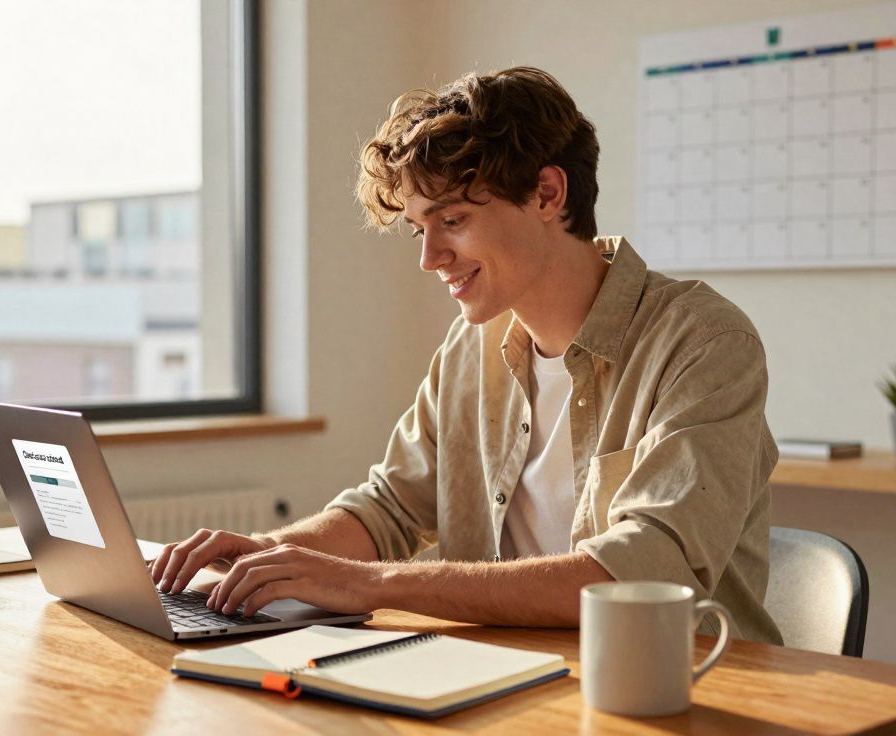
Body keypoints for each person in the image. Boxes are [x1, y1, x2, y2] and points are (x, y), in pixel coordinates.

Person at [151, 66, 782, 643]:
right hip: (518, 679)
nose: (429, 258)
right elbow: (391, 507)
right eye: (419, 229)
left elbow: (641, 573)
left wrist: (368, 585)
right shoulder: (471, 347)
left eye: (451, 220)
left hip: (683, 692)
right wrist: (266, 558)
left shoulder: (704, 343)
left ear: (547, 194)